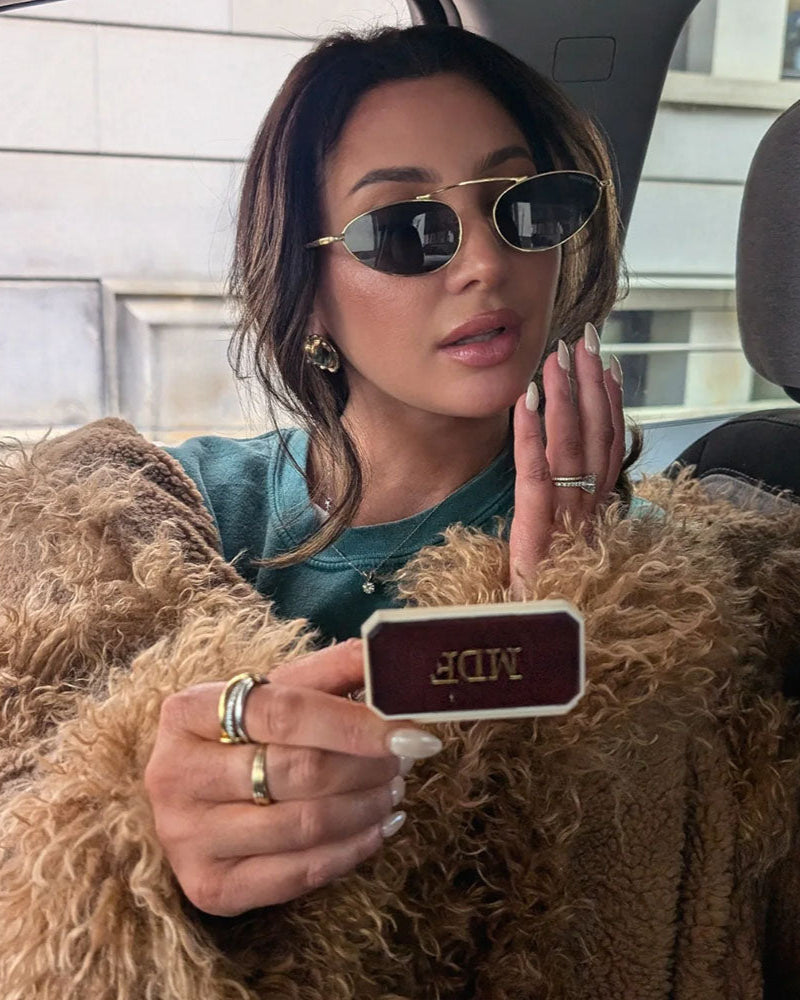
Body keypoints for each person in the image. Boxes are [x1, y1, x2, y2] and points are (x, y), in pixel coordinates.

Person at [0, 23, 798, 1000]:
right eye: (405, 228)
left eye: (522, 206)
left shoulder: (667, 579)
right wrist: (138, 841)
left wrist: (584, 629)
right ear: (308, 291)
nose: (485, 262)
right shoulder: (152, 523)